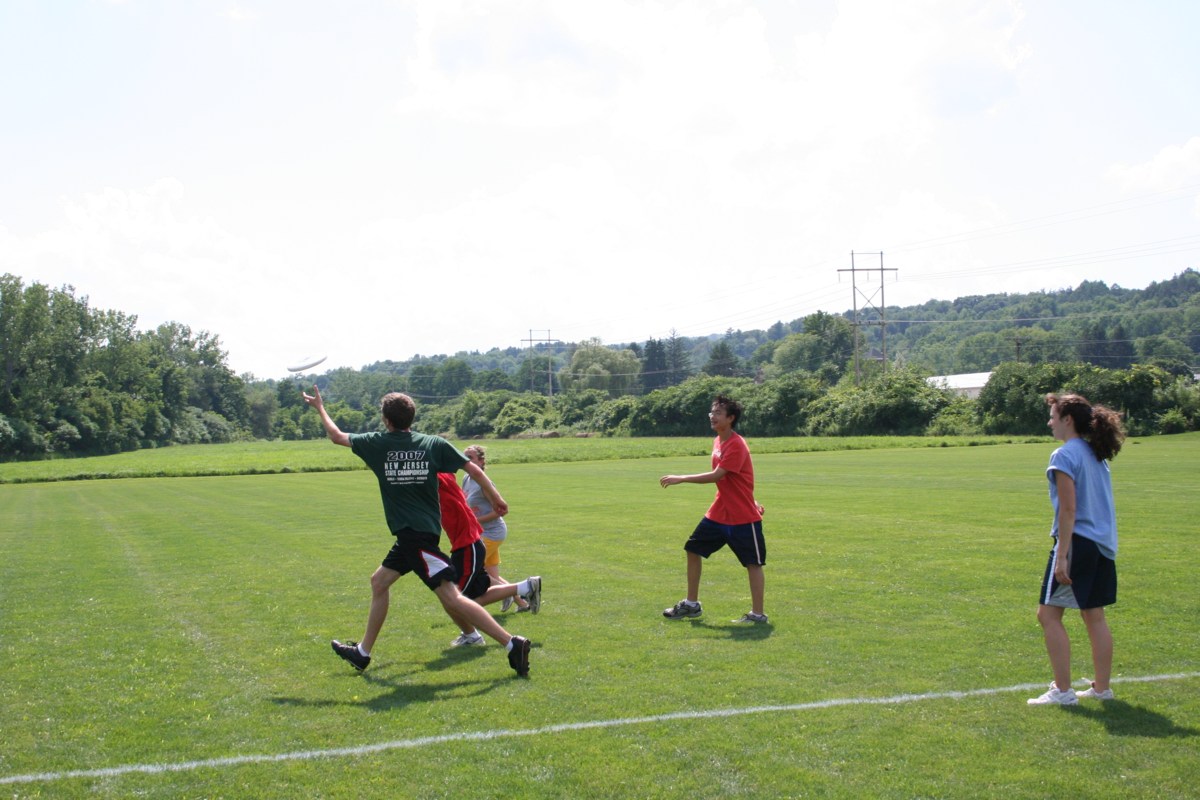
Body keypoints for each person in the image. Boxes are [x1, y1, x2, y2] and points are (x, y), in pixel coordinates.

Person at [301, 385, 531, 678]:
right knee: (379, 582)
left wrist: (320, 407)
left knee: (452, 597)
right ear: (412, 417)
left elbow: (336, 436)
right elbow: (473, 470)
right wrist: (497, 498)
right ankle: (362, 653)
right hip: (413, 536)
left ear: (386, 420)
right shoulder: (432, 443)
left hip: (416, 538)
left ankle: (511, 643)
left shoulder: (378, 443)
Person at [1028, 393, 1125, 706]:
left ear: (1067, 420)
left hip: (1078, 543)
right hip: (1102, 545)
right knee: (1093, 615)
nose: (1050, 423)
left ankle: (1063, 690)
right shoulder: (1095, 453)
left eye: (1053, 417)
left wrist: (1062, 556)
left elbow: (1069, 510)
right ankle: (1102, 689)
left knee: (1048, 615)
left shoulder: (1064, 455)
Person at [659, 394, 768, 624]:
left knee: (753, 563)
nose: (712, 416)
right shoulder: (718, 441)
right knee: (693, 549)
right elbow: (737, 479)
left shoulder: (736, 444)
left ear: (731, 418)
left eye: (718, 413)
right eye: (712, 412)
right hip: (719, 512)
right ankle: (691, 604)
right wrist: (752, 498)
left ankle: (757, 615)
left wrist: (682, 478)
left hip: (742, 516)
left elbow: (718, 475)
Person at [436, 472, 542, 647]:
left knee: (456, 598)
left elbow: (478, 476)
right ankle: (525, 588)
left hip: (469, 544)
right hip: (470, 542)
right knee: (479, 585)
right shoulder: (456, 479)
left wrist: (496, 499)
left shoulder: (441, 479)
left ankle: (473, 636)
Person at [462, 445, 529, 612]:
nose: (465, 461)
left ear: (481, 461)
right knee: (492, 575)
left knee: (472, 568)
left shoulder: (483, 483)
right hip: (480, 532)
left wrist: (474, 520)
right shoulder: (466, 478)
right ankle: (522, 603)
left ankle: (510, 594)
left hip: (492, 533)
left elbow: (499, 512)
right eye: (464, 457)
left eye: (470, 458)